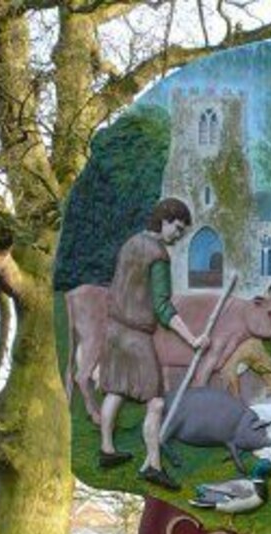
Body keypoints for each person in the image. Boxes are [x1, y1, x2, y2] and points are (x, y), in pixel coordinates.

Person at [97, 198, 209, 491]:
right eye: (178, 228)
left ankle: (106, 449)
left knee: (115, 389)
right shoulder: (158, 255)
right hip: (136, 336)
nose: (178, 235)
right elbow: (162, 306)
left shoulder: (130, 244)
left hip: (113, 329)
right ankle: (154, 466)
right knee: (156, 402)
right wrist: (192, 338)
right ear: (164, 219)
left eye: (183, 231)